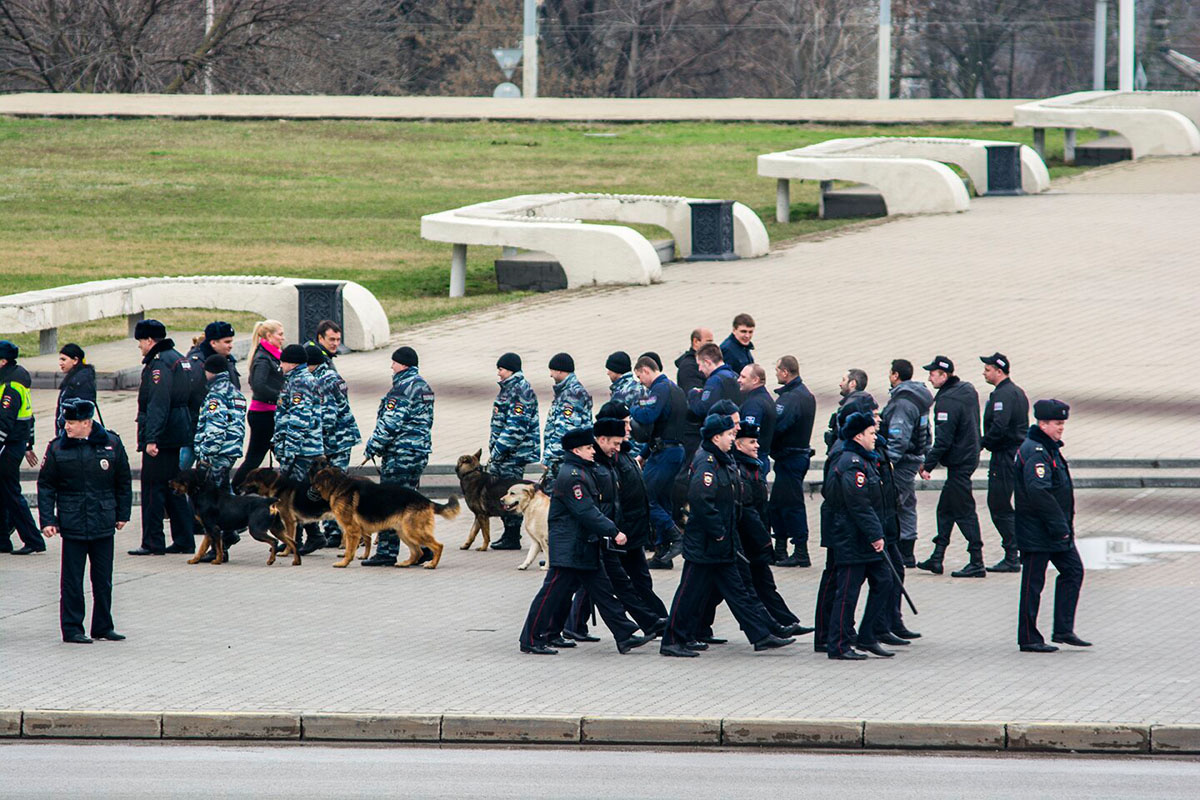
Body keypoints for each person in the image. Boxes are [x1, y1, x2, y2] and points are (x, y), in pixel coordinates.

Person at [659, 413, 794, 658]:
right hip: (706, 544)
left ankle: (761, 635)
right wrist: (718, 532)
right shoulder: (707, 462)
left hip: (722, 544)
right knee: (689, 594)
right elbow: (701, 500)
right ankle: (671, 640)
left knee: (739, 591)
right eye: (730, 434)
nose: (733, 438)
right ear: (716, 436)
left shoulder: (723, 460)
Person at [518, 428, 654, 656]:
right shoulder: (572, 476)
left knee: (603, 591)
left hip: (583, 546)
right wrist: (613, 531)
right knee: (550, 594)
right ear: (576, 450)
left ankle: (625, 635)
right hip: (571, 548)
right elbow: (586, 511)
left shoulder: (582, 471)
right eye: (589, 448)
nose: (593, 451)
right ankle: (531, 638)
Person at [562, 415, 667, 641]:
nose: (628, 431)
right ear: (601, 439)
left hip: (623, 530)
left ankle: (647, 624)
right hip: (608, 534)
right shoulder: (592, 465)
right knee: (588, 585)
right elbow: (592, 506)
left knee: (617, 583)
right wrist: (612, 530)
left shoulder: (617, 457)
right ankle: (551, 630)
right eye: (616, 441)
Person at [37, 400, 132, 644]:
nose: (66, 426)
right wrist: (48, 519)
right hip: (73, 522)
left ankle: (103, 626)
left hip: (102, 519)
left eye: (71, 422)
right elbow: (47, 485)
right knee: (71, 581)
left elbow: (123, 481)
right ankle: (72, 628)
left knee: (103, 580)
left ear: (87, 423)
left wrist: (123, 514)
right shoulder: (58, 448)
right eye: (66, 422)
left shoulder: (111, 444)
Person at [1015, 399, 1090, 653]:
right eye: (1058, 423)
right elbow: (1039, 492)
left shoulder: (1049, 449)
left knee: (1073, 571)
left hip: (1056, 531)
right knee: (1032, 584)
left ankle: (1063, 629)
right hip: (1039, 531)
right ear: (1043, 423)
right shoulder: (1034, 451)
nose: (1061, 428)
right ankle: (1028, 637)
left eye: (1063, 424)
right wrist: (1059, 525)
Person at [824, 412, 895, 660]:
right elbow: (859, 505)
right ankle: (839, 644)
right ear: (858, 436)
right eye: (871, 433)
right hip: (853, 538)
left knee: (885, 580)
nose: (875, 437)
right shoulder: (852, 463)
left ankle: (867, 636)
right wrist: (876, 535)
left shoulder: (865, 460)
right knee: (847, 592)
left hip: (864, 537)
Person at [730, 423, 811, 635]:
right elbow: (748, 512)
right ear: (738, 444)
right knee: (739, 587)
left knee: (763, 583)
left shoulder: (751, 467)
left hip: (755, 538)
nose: (757, 445)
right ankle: (767, 628)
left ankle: (784, 622)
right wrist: (764, 540)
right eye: (752, 442)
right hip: (747, 539)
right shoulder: (740, 470)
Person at [362, 346, 435, 567]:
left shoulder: (402, 388)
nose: (391, 367)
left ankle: (386, 552)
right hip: (419, 452)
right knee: (411, 503)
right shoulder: (424, 387)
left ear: (402, 364)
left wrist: (372, 447)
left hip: (400, 454)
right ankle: (423, 548)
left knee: (389, 503)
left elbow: (390, 424)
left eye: (393, 363)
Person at [128, 320, 195, 556]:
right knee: (172, 486)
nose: (140, 348)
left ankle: (152, 541)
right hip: (178, 428)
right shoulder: (179, 358)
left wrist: (151, 438)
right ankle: (185, 539)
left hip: (163, 434)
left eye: (140, 343)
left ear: (149, 340)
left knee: (152, 488)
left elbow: (158, 402)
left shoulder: (159, 364)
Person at [917, 355, 986, 578]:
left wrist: (927, 465)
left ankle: (977, 561)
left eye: (932, 374)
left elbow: (943, 440)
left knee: (964, 510)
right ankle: (937, 558)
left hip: (959, 462)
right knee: (945, 509)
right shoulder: (966, 389)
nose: (929, 378)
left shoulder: (947, 401)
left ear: (944, 375)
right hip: (969, 456)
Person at [629, 356, 687, 568]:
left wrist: (632, 408)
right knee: (662, 501)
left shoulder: (660, 389)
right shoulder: (675, 389)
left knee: (645, 499)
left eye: (639, 376)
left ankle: (676, 537)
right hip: (670, 450)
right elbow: (661, 427)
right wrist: (644, 454)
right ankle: (663, 554)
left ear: (645, 370)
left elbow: (647, 416)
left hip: (665, 454)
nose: (640, 381)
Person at [879, 359, 932, 568]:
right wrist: (924, 455)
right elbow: (926, 430)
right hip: (913, 457)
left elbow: (898, 436)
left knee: (901, 503)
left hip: (902, 461)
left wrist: (888, 462)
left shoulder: (903, 401)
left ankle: (904, 553)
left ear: (895, 375)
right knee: (906, 502)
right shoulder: (919, 398)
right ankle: (905, 551)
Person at [310, 342, 362, 555]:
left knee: (336, 489)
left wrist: (317, 444)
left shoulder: (325, 381)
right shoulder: (329, 376)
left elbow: (328, 417)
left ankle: (349, 533)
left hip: (335, 442)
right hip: (341, 440)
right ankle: (332, 532)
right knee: (329, 488)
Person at [980, 352, 1029, 573]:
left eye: (988, 369)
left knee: (998, 505)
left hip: (1005, 456)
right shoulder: (1017, 392)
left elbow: (999, 426)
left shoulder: (1003, 395)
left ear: (999, 371)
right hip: (1016, 454)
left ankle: (1012, 554)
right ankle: (1017, 551)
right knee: (1005, 504)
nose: (984, 372)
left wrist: (983, 442)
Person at [489, 352, 540, 551]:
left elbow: (516, 427)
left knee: (511, 493)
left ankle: (512, 536)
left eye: (501, 369)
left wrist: (498, 451)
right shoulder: (508, 389)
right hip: (505, 453)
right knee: (504, 493)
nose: (499, 373)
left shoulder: (520, 390)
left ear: (510, 369)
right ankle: (509, 534)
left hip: (513, 454)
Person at [769, 355, 817, 568]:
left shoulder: (791, 398)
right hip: (794, 457)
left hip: (791, 457)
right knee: (779, 503)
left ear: (785, 372)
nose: (776, 373)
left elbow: (778, 426)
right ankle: (780, 548)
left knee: (792, 505)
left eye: (778, 370)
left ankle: (800, 551)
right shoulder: (803, 394)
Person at [0, 340, 44, 555]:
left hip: (7, 448)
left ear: (2, 361)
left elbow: (4, 422)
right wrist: (29, 444)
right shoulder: (15, 381)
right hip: (15, 445)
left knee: (11, 494)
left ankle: (33, 539)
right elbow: (30, 418)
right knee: (4, 493)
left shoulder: (10, 387)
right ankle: (2, 540)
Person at [232, 320, 286, 491]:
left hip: (269, 414)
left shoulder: (273, 355)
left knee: (280, 455)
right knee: (254, 458)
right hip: (263, 415)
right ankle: (235, 488)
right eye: (280, 334)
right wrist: (281, 398)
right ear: (268, 336)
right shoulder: (263, 358)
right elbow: (259, 385)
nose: (283, 338)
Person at [183, 321, 242, 470]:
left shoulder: (225, 360)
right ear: (213, 343)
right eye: (227, 342)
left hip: (217, 436)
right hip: (198, 432)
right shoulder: (199, 364)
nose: (230, 345)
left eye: (231, 341)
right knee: (181, 475)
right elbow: (193, 397)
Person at [193, 354, 247, 491]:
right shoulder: (235, 392)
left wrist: (206, 455)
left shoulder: (216, 394)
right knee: (224, 490)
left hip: (218, 453)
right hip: (231, 449)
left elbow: (215, 428)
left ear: (209, 371)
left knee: (215, 495)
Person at [272, 344, 324, 483]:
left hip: (302, 452)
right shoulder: (296, 380)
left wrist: (289, 452)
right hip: (301, 450)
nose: (281, 365)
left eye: (282, 362)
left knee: (296, 494)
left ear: (293, 364)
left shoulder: (300, 382)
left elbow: (299, 420)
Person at [541, 353, 593, 483]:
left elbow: (564, 431)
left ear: (559, 370)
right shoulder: (568, 391)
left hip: (563, 461)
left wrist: (547, 458)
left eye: (552, 371)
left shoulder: (571, 395)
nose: (550, 375)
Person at [737, 363, 776, 474]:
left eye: (743, 377)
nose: (739, 380)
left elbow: (748, 434)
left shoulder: (754, 404)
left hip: (753, 461)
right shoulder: (765, 398)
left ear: (755, 380)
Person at [605, 351, 645, 458]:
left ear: (617, 370)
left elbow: (615, 423)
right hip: (642, 445)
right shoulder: (639, 387)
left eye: (609, 370)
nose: (607, 373)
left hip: (630, 448)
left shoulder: (622, 393)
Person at [54, 343, 99, 437]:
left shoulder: (81, 381)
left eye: (64, 359)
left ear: (75, 360)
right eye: (60, 359)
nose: (60, 363)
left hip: (74, 433)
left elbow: (84, 410)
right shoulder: (73, 379)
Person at [687, 343, 740, 421]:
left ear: (707, 362)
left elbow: (704, 409)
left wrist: (693, 394)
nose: (699, 369)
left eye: (699, 364)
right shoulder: (735, 375)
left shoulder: (715, 381)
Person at [824, 368, 870, 449]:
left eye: (844, 380)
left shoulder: (851, 406)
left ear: (852, 383)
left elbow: (846, 435)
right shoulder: (865, 401)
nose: (840, 384)